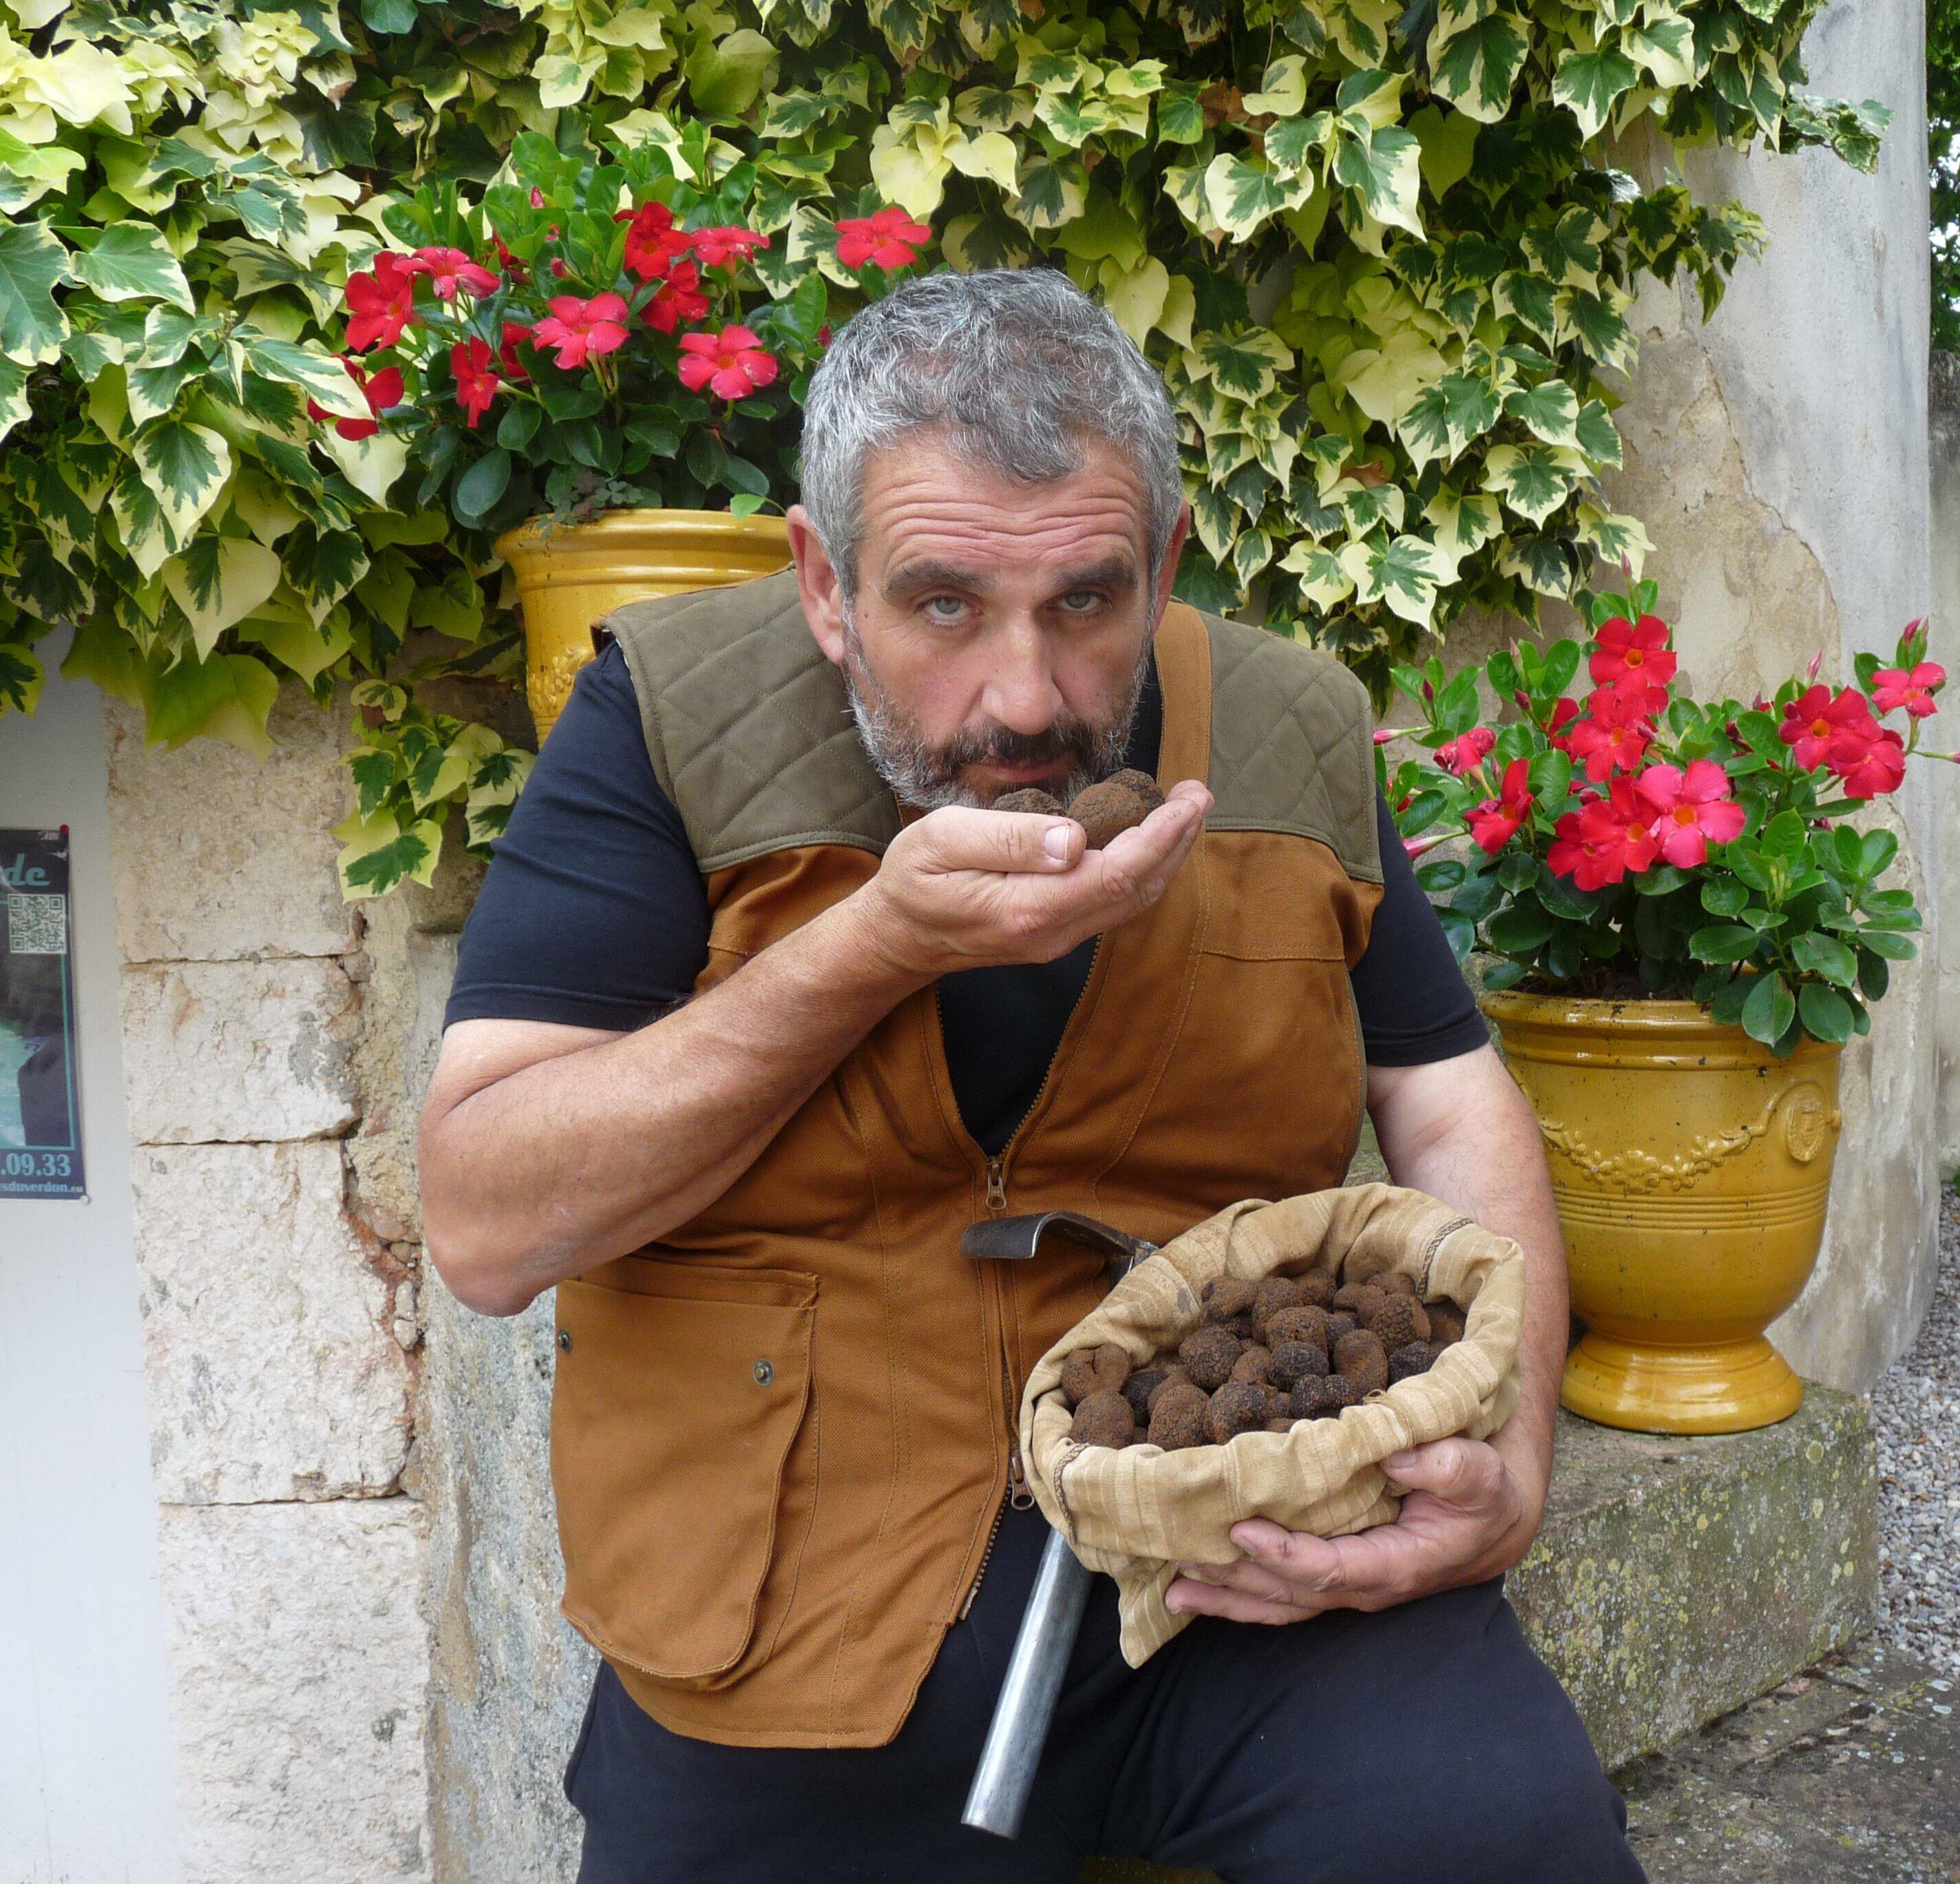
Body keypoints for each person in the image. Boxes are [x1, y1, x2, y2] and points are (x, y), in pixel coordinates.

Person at [417, 268, 1641, 1884]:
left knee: (1504, 1839)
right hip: (789, 1609)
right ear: (824, 582)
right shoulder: (672, 718)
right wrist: (873, 948)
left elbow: (1448, 1094)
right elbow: (486, 1222)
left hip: (1238, 1548)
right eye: (942, 605)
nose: (1027, 700)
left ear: (1167, 561)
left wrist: (1516, 1470)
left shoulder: (1289, 727)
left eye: (1086, 601)